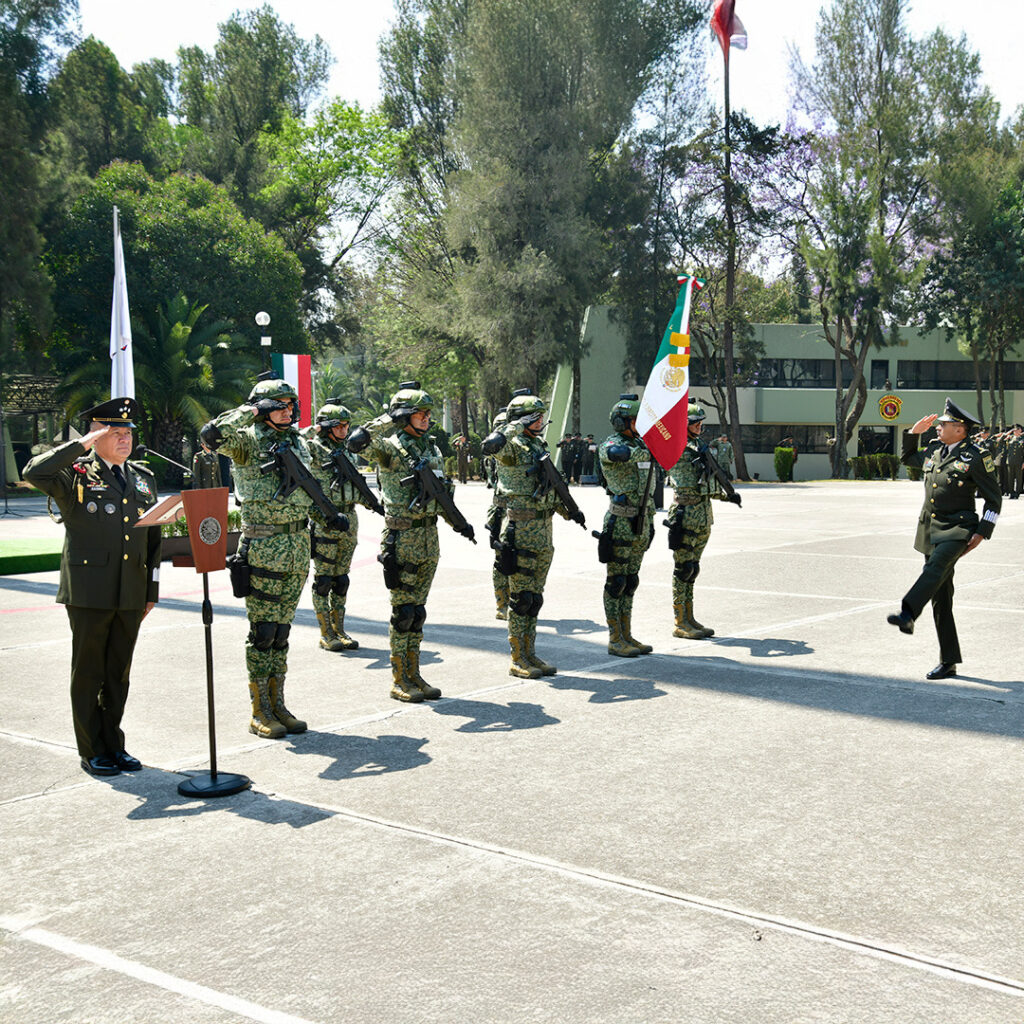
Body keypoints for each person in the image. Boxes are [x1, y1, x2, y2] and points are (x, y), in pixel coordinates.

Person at [202, 378, 347, 737]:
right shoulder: (247, 441)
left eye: (289, 404)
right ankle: (259, 710)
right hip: (264, 545)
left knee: (282, 632)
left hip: (298, 544)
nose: (286, 410)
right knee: (263, 632)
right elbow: (211, 435)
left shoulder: (298, 442)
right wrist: (251, 411)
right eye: (277, 405)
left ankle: (278, 704)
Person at [23, 397, 161, 776]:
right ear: (95, 436)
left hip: (131, 592)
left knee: (118, 672)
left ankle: (115, 744)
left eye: (128, 432)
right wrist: (80, 445)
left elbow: (153, 541)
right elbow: (34, 471)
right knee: (88, 672)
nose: (124, 439)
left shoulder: (142, 478)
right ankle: (92, 749)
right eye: (113, 432)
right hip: (90, 591)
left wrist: (151, 591)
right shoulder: (75, 475)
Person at [347, 381, 475, 702]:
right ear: (405, 416)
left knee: (418, 612)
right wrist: (390, 418)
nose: (427, 418)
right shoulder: (389, 448)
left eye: (428, 412)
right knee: (402, 612)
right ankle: (399, 678)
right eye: (420, 413)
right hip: (401, 537)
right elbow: (356, 443)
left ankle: (415, 673)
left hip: (428, 537)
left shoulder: (431, 448)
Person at [887, 399, 1001, 680]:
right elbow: (908, 459)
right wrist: (913, 433)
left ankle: (908, 611)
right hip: (930, 527)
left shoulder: (976, 456)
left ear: (960, 430)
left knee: (934, 569)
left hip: (958, 529)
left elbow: (994, 499)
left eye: (944, 424)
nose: (938, 427)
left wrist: (982, 533)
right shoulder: (935, 451)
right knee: (941, 596)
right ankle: (948, 660)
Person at [482, 391, 567, 678]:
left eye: (541, 416)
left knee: (534, 598)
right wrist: (517, 423)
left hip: (543, 531)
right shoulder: (513, 447)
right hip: (520, 531)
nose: (541, 420)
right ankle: (518, 657)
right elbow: (491, 445)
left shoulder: (536, 445)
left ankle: (531, 653)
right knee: (520, 599)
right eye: (535, 416)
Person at [305, 400, 376, 651]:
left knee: (341, 579)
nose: (345, 430)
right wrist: (315, 429)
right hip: (326, 520)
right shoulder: (313, 449)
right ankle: (326, 633)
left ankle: (340, 629)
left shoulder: (346, 450)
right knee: (324, 579)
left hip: (349, 519)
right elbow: (297, 442)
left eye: (347, 425)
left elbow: (352, 487)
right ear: (326, 427)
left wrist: (371, 503)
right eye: (339, 425)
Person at [666, 403, 741, 639]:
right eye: (694, 422)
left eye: (701, 422)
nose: (700, 426)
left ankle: (690, 617)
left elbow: (707, 483)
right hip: (685, 514)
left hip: (702, 515)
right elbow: (688, 477)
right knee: (683, 568)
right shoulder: (677, 447)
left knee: (693, 568)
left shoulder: (699, 446)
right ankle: (680, 621)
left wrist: (727, 495)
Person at [597, 394, 656, 657]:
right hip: (621, 521)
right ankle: (614, 638)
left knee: (631, 580)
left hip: (642, 521)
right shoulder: (613, 444)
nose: (640, 425)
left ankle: (627, 634)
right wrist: (648, 449)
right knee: (616, 581)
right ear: (622, 422)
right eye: (636, 420)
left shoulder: (643, 444)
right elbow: (616, 454)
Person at [484, 408, 510, 619]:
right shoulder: (499, 448)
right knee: (501, 557)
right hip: (500, 509)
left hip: (518, 508)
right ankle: (501, 602)